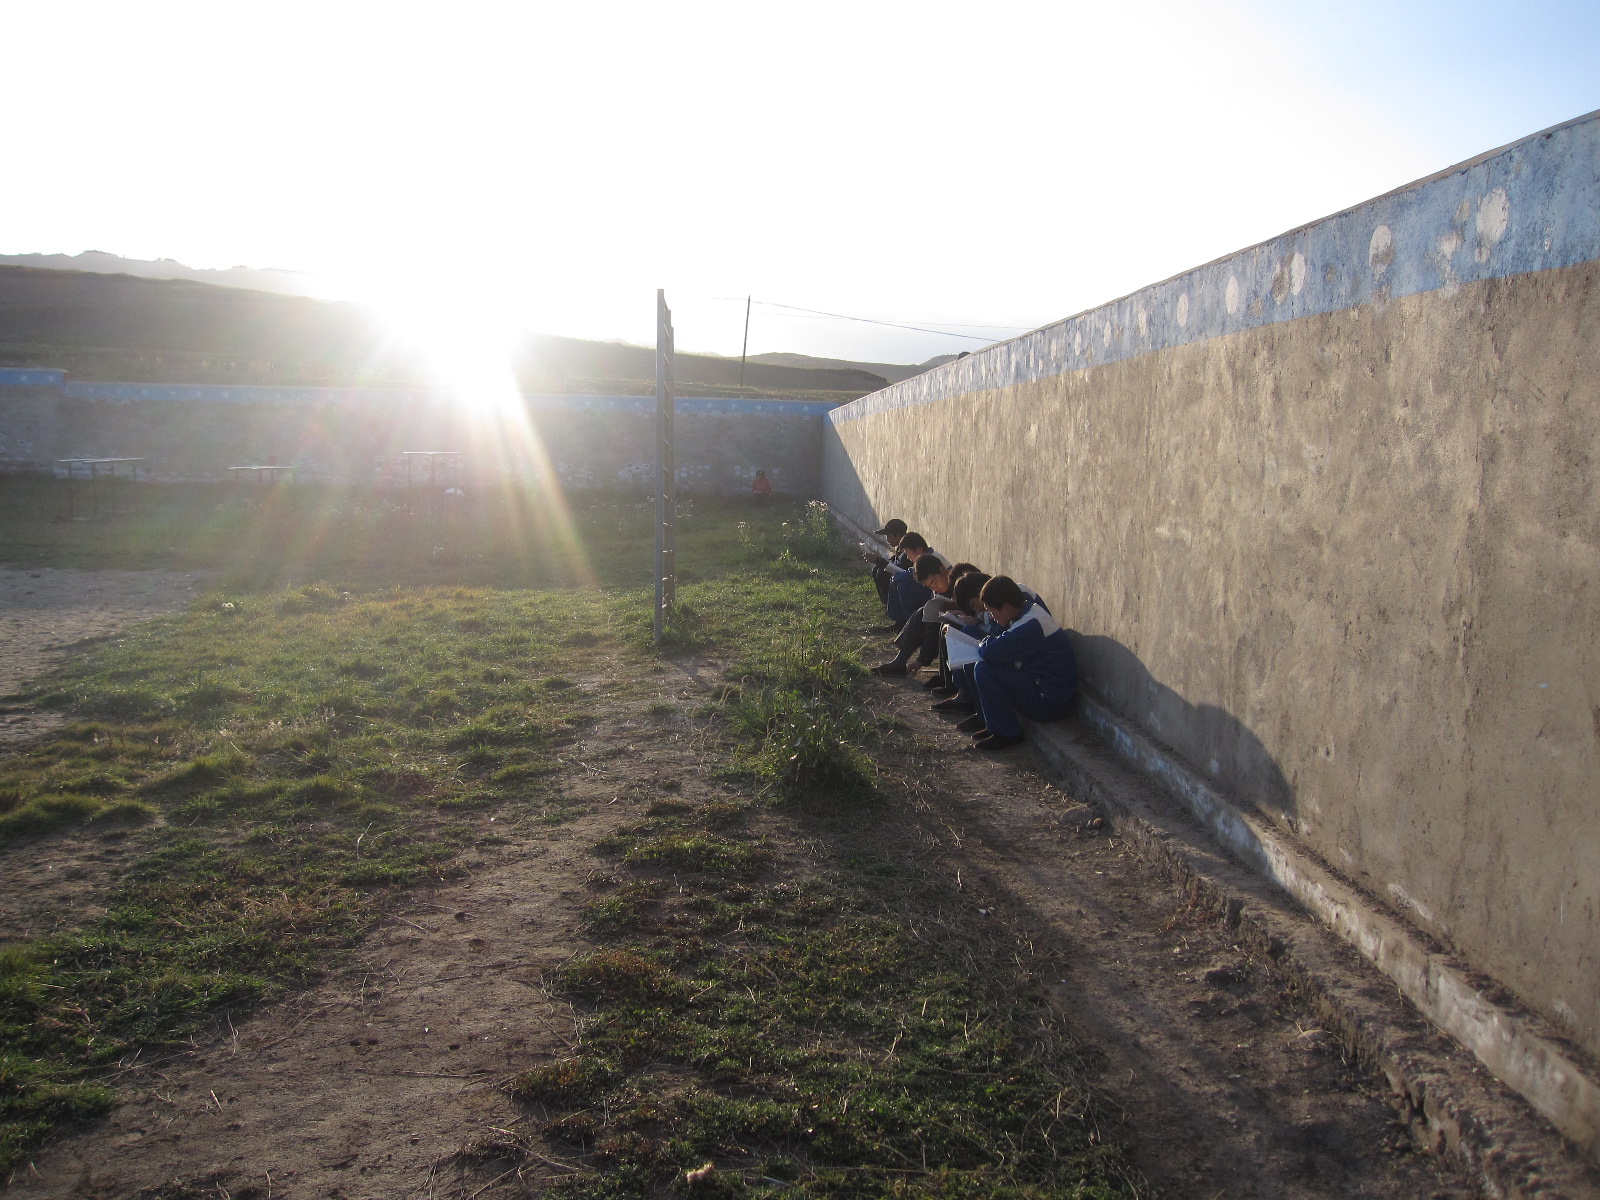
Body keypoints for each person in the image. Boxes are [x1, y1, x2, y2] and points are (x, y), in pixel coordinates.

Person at [964, 575, 1078, 752]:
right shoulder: (1026, 614)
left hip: (1050, 700)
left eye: (992, 612)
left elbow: (991, 652)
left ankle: (1007, 733)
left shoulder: (1031, 624)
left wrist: (984, 642)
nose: (992, 618)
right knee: (981, 663)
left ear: (1007, 607)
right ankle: (991, 723)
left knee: (985, 669)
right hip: (1040, 685)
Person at [861, 518, 909, 606]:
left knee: (882, 573)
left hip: (907, 581)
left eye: (889, 536)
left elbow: (900, 570)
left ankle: (892, 604)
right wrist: (877, 560)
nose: (887, 540)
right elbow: (894, 561)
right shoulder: (900, 547)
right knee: (876, 569)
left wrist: (878, 560)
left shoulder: (908, 550)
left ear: (898, 536)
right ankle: (886, 602)